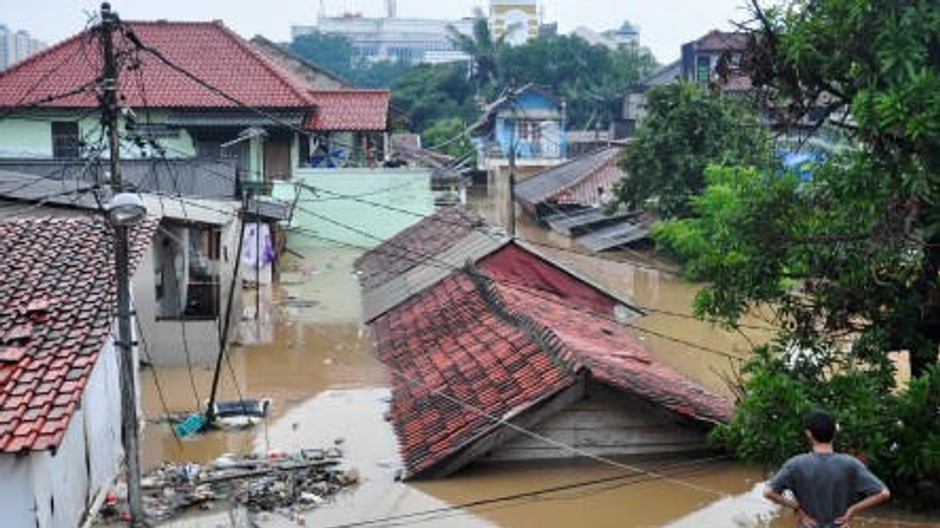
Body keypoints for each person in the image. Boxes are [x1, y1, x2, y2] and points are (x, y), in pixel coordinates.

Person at [764, 409, 890, 527]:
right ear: (835, 432)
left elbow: (769, 492)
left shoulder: (795, 464)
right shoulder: (850, 463)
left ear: (809, 434)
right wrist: (852, 510)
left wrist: (797, 508)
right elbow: (883, 493)